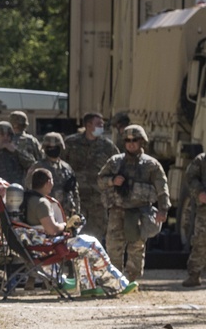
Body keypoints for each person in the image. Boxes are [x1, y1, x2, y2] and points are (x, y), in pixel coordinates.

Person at [17, 168, 136, 297]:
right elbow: (51, 229)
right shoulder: (42, 203)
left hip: (36, 247)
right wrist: (66, 225)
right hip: (48, 246)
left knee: (82, 249)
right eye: (51, 181)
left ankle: (87, 286)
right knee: (91, 243)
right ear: (48, 182)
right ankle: (117, 283)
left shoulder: (27, 199)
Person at [97, 124, 169, 282]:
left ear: (142, 141)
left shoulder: (151, 165)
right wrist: (112, 181)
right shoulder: (115, 162)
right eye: (127, 140)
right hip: (117, 211)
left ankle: (132, 280)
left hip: (139, 213)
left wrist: (163, 209)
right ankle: (114, 281)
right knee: (113, 246)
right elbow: (100, 181)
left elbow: (162, 189)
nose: (130, 143)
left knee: (136, 247)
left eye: (134, 140)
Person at [63, 112, 118, 244]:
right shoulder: (71, 143)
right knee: (72, 234)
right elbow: (60, 165)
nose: (102, 127)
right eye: (98, 124)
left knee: (95, 237)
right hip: (75, 199)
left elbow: (117, 167)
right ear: (88, 125)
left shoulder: (107, 147)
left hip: (97, 201)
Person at [27, 132, 80, 217]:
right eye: (49, 147)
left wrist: (76, 212)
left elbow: (75, 192)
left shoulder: (67, 167)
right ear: (44, 148)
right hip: (45, 214)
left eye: (56, 147)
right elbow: (29, 189)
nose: (53, 149)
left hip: (66, 213)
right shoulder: (37, 167)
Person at [183, 151, 206, 288]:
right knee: (200, 241)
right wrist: (199, 192)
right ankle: (194, 274)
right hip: (204, 210)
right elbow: (190, 177)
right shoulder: (201, 160)